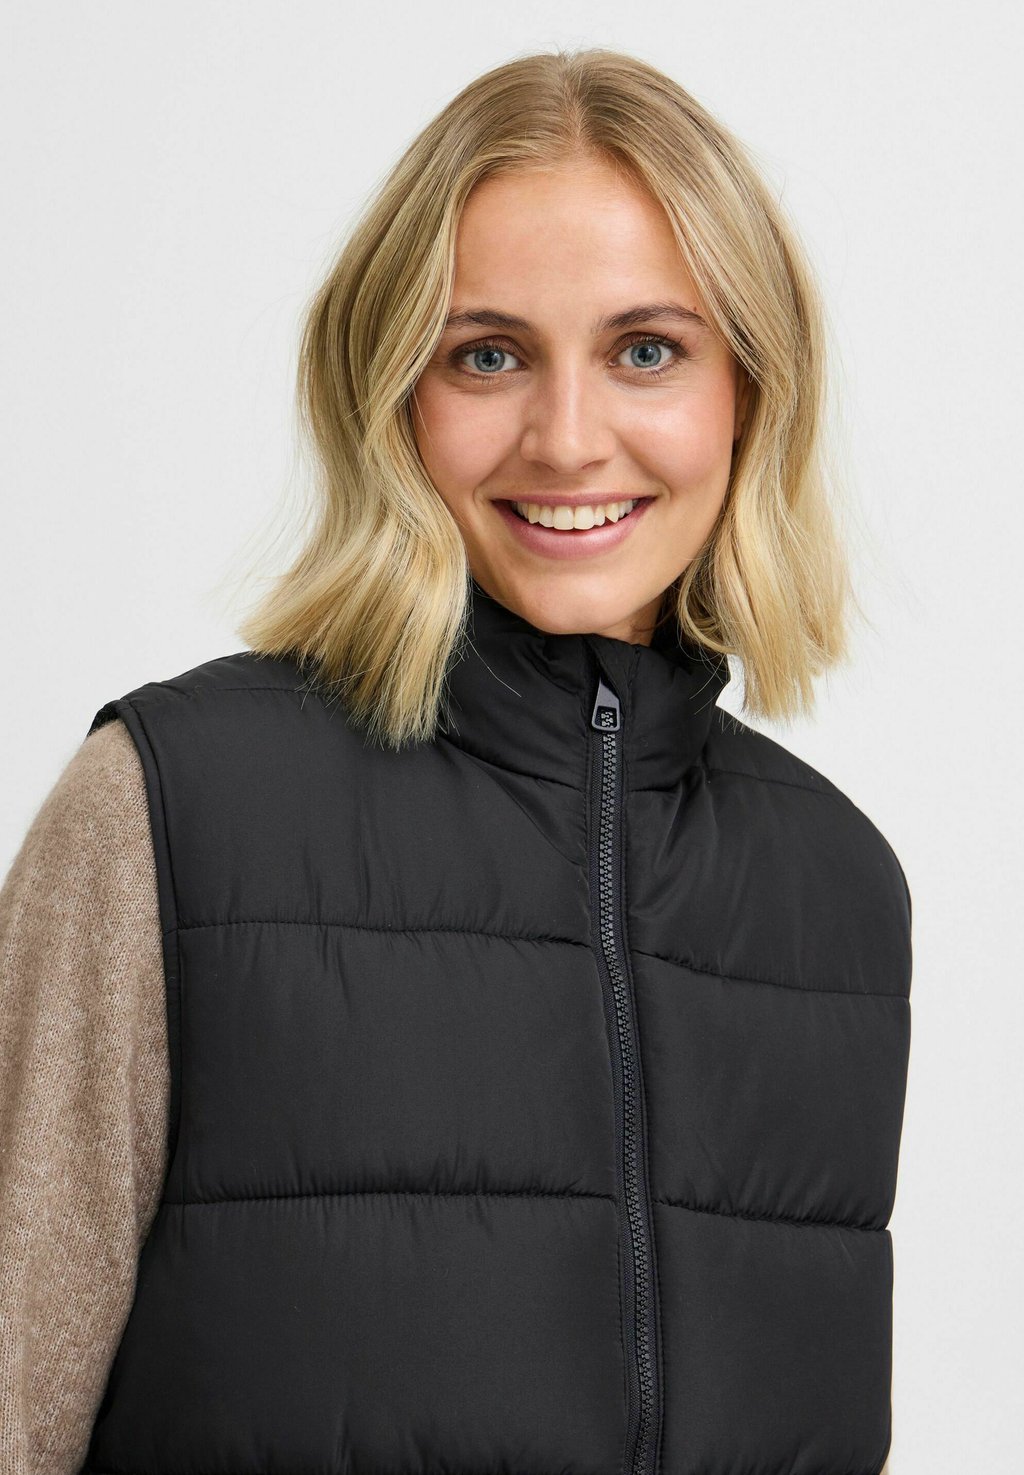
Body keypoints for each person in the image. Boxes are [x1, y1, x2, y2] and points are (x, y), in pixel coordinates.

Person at [0, 47, 910, 1475]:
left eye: (646, 350)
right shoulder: (171, 812)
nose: (567, 439)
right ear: (390, 393)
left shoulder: (837, 892)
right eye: (487, 355)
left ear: (751, 388)